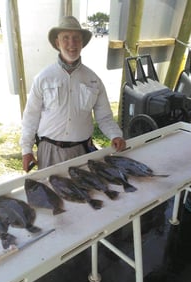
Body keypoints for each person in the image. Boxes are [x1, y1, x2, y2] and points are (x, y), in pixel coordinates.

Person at [21, 16, 126, 172]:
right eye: (66, 38)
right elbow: (31, 117)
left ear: (82, 43)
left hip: (82, 152)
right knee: (53, 194)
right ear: (57, 43)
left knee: (86, 194)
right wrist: (26, 150)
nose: (72, 43)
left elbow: (104, 117)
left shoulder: (94, 80)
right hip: (49, 153)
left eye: (76, 38)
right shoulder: (43, 78)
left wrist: (115, 135)